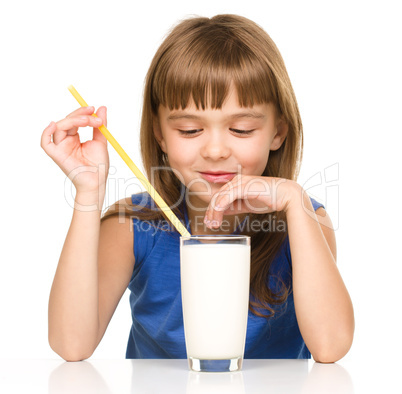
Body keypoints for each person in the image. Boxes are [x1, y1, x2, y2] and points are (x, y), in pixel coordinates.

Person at [41, 14, 354, 363]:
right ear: (159, 133)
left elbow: (330, 347)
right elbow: (72, 344)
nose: (216, 150)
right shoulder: (133, 227)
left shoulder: (306, 219)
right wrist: (88, 191)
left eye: (242, 129)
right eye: (190, 130)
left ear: (278, 132)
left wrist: (295, 200)